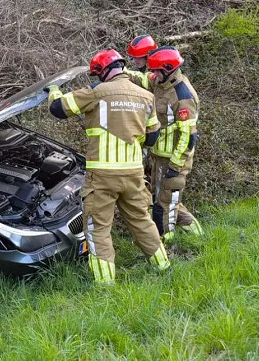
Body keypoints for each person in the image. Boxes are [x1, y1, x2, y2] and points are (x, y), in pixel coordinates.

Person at [46, 49, 170, 284]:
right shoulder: (146, 96)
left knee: (98, 228)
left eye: (97, 74)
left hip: (102, 176)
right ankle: (163, 266)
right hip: (133, 174)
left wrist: (53, 91)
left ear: (103, 72)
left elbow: (58, 109)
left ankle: (105, 285)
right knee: (142, 220)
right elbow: (152, 138)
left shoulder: (96, 92)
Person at [146, 46, 204, 241]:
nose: (153, 74)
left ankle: (167, 241)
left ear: (168, 68)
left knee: (165, 205)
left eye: (156, 70)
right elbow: (143, 79)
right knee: (166, 199)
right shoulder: (161, 83)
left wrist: (175, 166)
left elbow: (188, 137)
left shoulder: (182, 96)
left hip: (174, 160)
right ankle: (196, 233)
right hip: (159, 156)